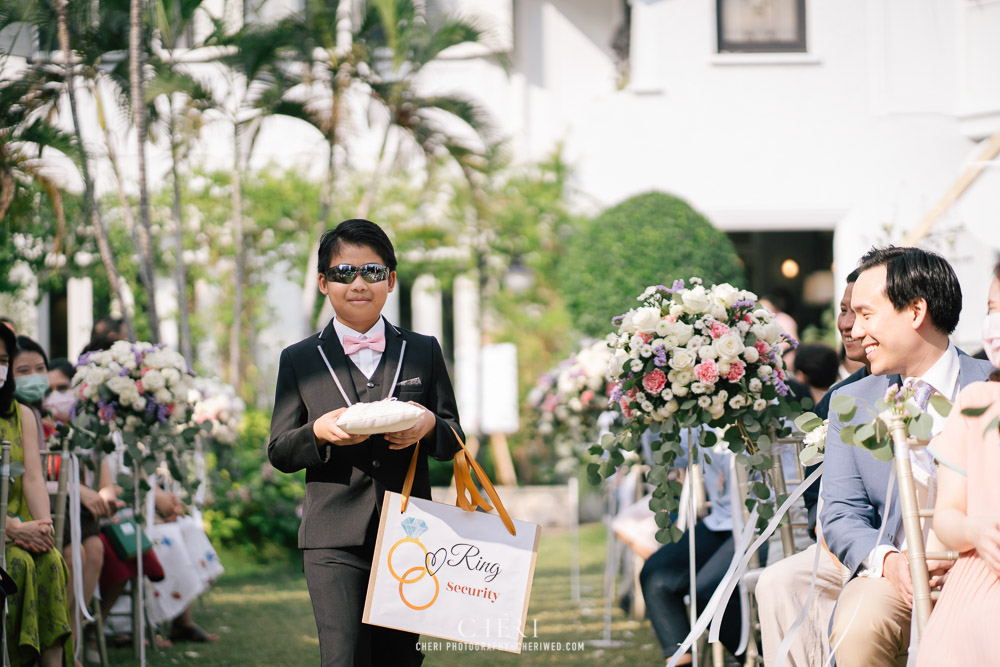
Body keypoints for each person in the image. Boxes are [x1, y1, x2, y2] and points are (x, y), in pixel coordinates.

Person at [268, 219, 464, 666]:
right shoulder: (298, 359)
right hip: (332, 539)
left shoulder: (423, 350)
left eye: (372, 272)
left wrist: (429, 424)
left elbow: (453, 438)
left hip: (409, 537)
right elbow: (279, 450)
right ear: (323, 282)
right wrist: (316, 433)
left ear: (391, 280)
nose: (358, 283)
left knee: (402, 660)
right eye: (343, 273)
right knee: (343, 659)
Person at [820, 246, 994, 667]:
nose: (854, 331)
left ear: (915, 311)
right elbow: (840, 512)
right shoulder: (851, 401)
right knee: (858, 626)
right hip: (892, 576)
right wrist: (891, 562)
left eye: (866, 314)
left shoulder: (990, 386)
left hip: (984, 567)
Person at [757, 269, 869, 666]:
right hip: (843, 543)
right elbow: (816, 496)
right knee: (777, 582)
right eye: (842, 311)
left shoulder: (970, 386)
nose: (847, 324)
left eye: (861, 312)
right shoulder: (836, 400)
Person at [915, 261, 1000, 666]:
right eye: (991, 309)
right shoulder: (976, 402)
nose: (995, 323)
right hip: (982, 575)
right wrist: (976, 530)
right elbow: (946, 516)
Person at [639, 430, 765, 664]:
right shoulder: (702, 419)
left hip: (767, 524)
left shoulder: (773, 406)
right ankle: (680, 660)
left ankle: (762, 657)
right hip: (722, 521)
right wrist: (651, 413)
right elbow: (668, 457)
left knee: (709, 590)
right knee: (656, 576)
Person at [0, 324, 73, 667]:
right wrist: (11, 528)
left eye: (3, 360)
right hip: (5, 531)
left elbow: (32, 477)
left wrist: (43, 528)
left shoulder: (22, 414)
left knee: (50, 560)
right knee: (17, 564)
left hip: (18, 528)